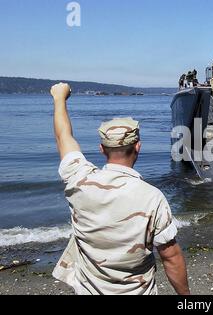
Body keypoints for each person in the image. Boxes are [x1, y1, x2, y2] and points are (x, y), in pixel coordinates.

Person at [50, 83, 190, 296]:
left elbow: (63, 137)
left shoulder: (79, 179)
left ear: (101, 149)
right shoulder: (152, 198)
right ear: (138, 147)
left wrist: (59, 98)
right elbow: (171, 257)